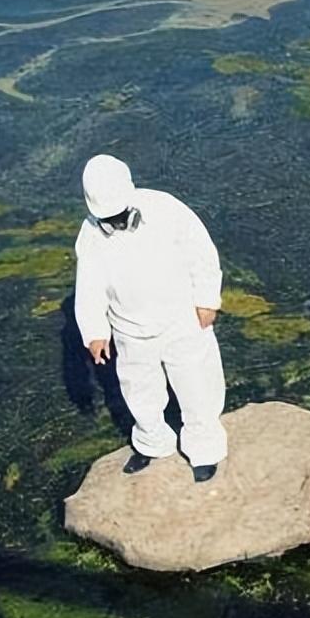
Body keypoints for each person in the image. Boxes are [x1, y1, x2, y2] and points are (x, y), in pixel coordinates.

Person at [73, 154, 228, 482]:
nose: (114, 223)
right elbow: (88, 287)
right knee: (139, 390)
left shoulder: (167, 209)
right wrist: (95, 332)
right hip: (129, 330)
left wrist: (207, 300)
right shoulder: (89, 236)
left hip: (182, 319)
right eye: (107, 218)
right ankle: (152, 441)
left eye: (119, 215)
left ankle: (204, 449)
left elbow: (201, 253)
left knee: (197, 385)